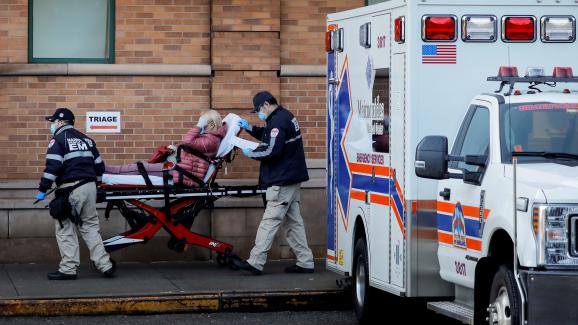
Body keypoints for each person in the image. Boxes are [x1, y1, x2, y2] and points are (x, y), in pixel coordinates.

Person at [234, 91, 314, 275]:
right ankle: (305, 261)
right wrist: (250, 128)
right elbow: (270, 136)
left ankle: (256, 261)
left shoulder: (277, 122)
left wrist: (250, 152)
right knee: (293, 222)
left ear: (265, 105)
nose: (259, 115)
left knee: (269, 221)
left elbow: (271, 150)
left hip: (282, 179)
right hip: (292, 178)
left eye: (259, 111)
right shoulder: (285, 116)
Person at [36, 108, 115, 280]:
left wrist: (42, 189)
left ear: (61, 122)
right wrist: (98, 186)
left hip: (71, 189)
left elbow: (53, 168)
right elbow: (100, 166)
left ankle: (68, 269)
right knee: (90, 227)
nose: (52, 124)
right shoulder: (87, 139)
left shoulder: (58, 139)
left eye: (53, 121)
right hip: (90, 187)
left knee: (65, 227)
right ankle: (105, 265)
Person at [105, 110, 227, 187]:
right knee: (141, 167)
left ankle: (106, 170)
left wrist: (198, 126)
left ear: (211, 124)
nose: (200, 125)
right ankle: (107, 170)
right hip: (178, 169)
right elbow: (190, 147)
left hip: (179, 172)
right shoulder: (210, 139)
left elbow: (188, 141)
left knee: (140, 167)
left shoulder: (211, 140)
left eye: (203, 122)